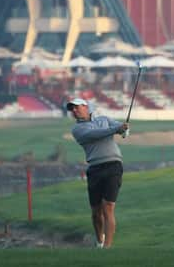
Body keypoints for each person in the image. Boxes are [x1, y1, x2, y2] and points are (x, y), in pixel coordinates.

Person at [68, 97, 129, 248]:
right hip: (95, 168)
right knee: (96, 211)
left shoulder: (104, 119)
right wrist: (116, 129)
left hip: (114, 165)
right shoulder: (77, 130)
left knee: (108, 206)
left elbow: (123, 131)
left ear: (86, 107)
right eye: (72, 109)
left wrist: (124, 130)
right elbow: (96, 134)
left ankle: (107, 249)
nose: (74, 111)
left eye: (76, 107)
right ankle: (100, 241)